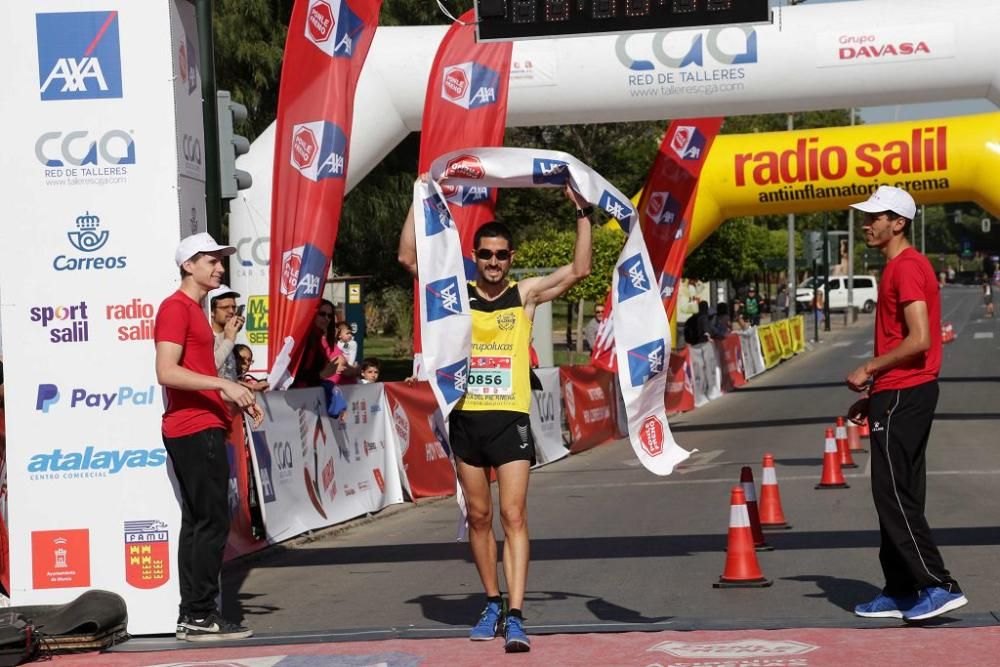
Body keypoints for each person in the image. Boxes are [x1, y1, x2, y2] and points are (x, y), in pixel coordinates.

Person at [398, 174, 592, 653]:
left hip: (509, 419)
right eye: (485, 254)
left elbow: (581, 269)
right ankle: (492, 602)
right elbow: (407, 257)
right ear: (475, 256)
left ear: (511, 258)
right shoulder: (455, 291)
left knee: (513, 514)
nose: (492, 262)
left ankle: (518, 615)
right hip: (466, 419)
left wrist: (583, 214)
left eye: (501, 255)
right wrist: (418, 196)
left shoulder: (525, 294)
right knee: (480, 517)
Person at [845, 186, 967, 622]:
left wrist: (870, 369)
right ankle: (900, 589)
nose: (867, 223)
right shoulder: (899, 267)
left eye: (876, 216)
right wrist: (876, 393)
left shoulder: (907, 268)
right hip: (897, 392)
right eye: (867, 215)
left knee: (893, 495)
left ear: (899, 222)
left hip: (905, 391)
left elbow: (920, 340)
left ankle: (937, 584)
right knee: (899, 494)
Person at [154, 232, 263, 641]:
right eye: (211, 260)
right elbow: (167, 372)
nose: (220, 267)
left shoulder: (195, 311)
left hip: (205, 423)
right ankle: (199, 615)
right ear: (188, 265)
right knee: (210, 521)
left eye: (220, 260)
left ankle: (194, 614)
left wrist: (236, 393)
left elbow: (199, 368)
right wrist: (225, 387)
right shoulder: (176, 307)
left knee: (201, 521)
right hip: (191, 427)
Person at [206, 285, 243, 381]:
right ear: (212, 311)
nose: (231, 311)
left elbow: (227, 376)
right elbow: (210, 369)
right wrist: (228, 340)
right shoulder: (207, 337)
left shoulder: (228, 335)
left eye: (234, 307)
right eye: (225, 307)